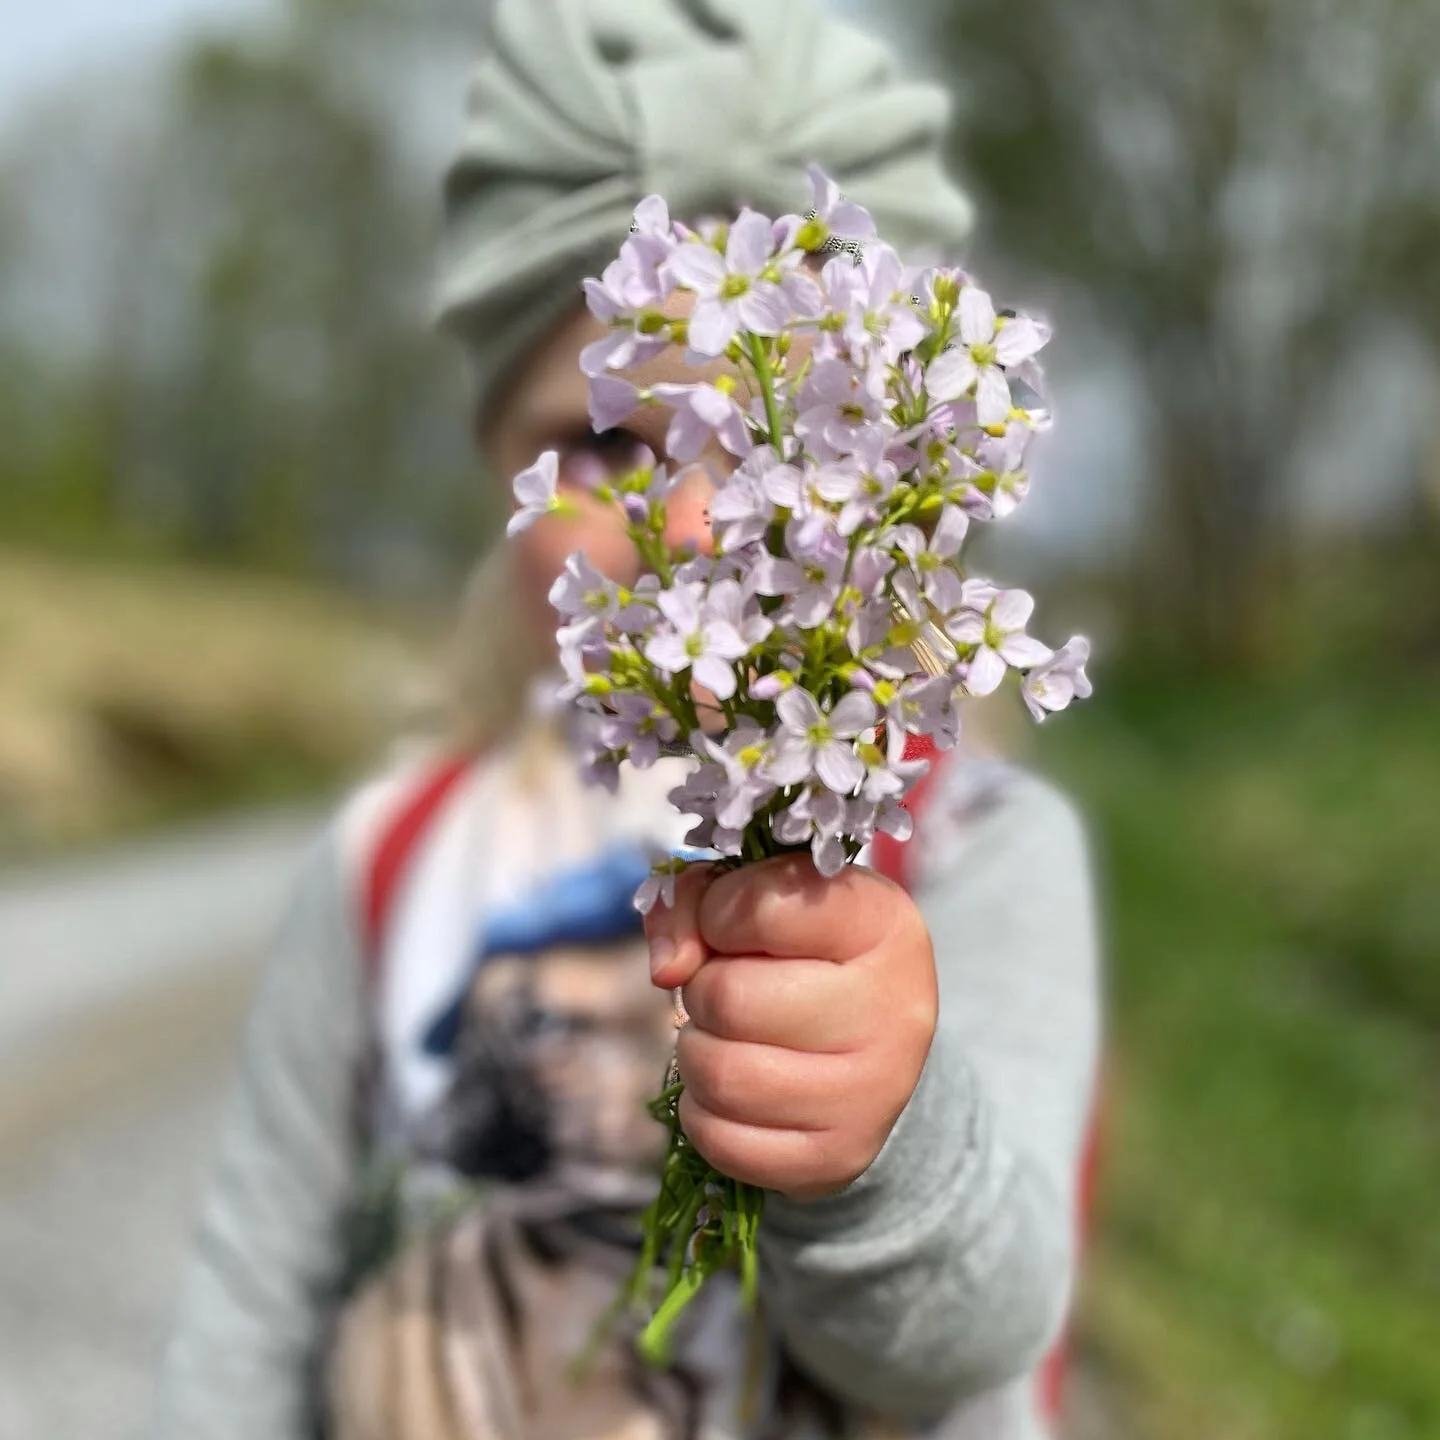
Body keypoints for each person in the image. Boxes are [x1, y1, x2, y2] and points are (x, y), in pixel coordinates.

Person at [151, 2, 1102, 1438]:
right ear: (500, 466)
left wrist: (878, 1146)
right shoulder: (391, 860)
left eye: (790, 440)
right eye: (603, 444)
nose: (703, 520)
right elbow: (248, 1310)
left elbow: (980, 1333)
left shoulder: (980, 852)